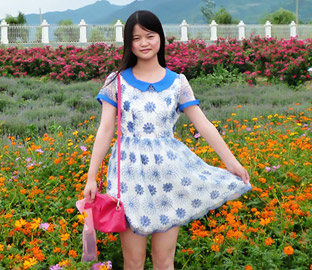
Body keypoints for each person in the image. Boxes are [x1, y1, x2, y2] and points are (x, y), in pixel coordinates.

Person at [83, 10, 252, 270]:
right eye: (136, 38)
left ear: (160, 38)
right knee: (133, 261)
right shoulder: (116, 82)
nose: (144, 43)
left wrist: (232, 163)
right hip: (129, 177)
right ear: (129, 43)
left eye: (150, 36)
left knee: (164, 260)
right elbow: (105, 130)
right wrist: (91, 176)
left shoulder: (177, 83)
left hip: (168, 177)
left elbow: (204, 125)